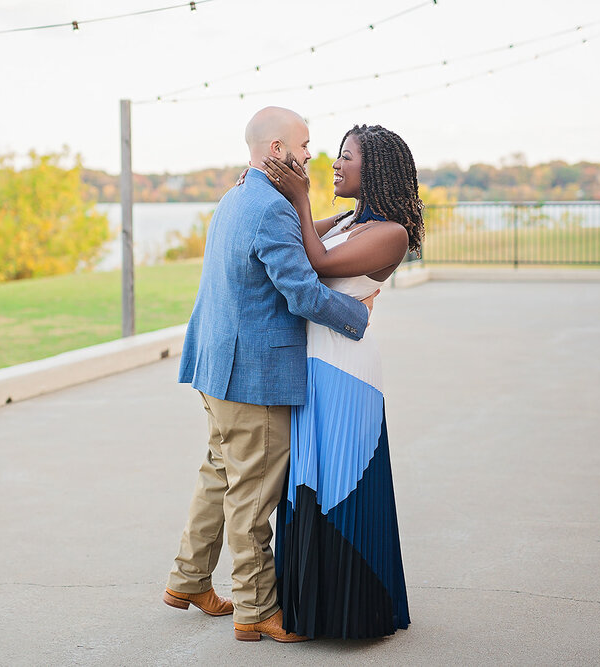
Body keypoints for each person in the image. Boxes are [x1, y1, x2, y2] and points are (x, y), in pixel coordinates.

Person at [163, 107, 379, 643]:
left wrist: (340, 223)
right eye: (304, 145)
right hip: (253, 376)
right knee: (253, 493)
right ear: (277, 150)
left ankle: (188, 579)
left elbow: (285, 243)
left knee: (219, 474)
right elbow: (302, 291)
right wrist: (359, 315)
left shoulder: (240, 197)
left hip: (216, 367)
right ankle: (256, 610)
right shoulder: (272, 210)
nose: (312, 155)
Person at [261, 124, 422, 639]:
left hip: (347, 369)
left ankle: (355, 611)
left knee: (341, 481)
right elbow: (296, 233)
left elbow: (318, 261)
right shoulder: (352, 218)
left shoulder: (390, 232)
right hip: (313, 360)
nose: (334, 163)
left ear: (372, 168)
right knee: (308, 478)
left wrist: (302, 197)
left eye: (346, 156)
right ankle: (310, 607)